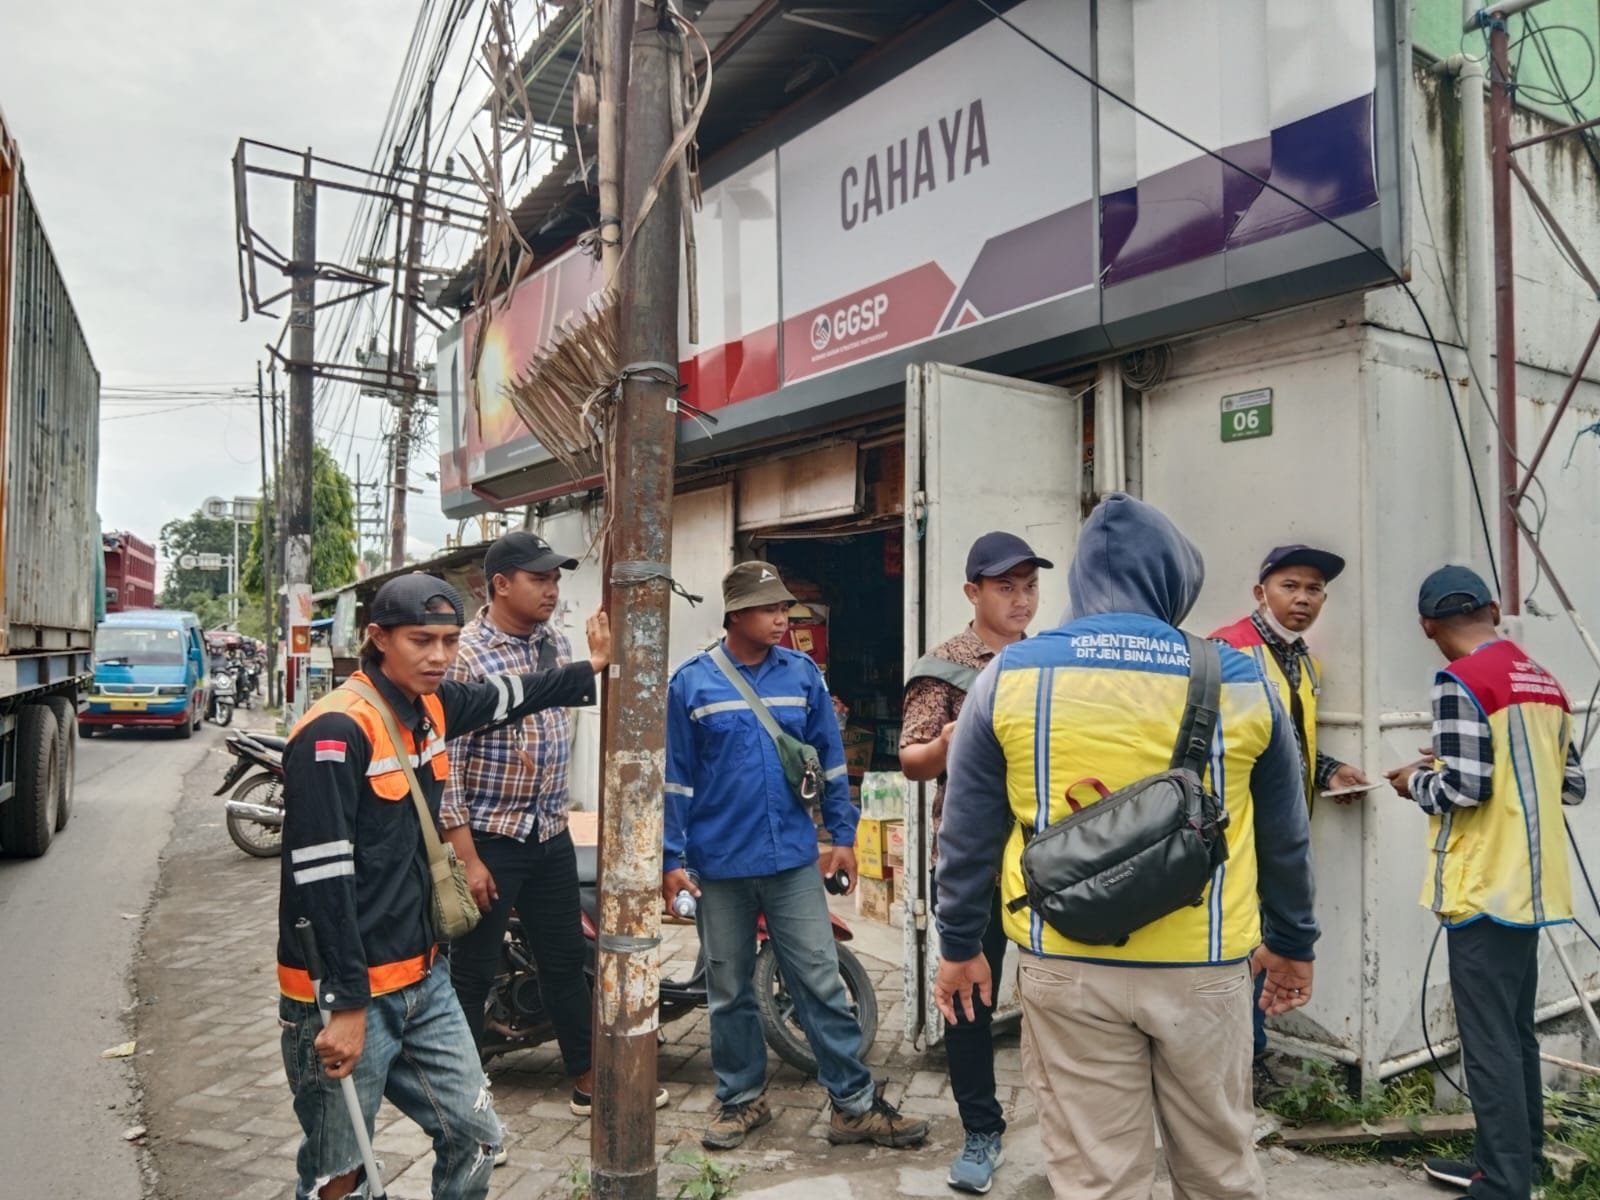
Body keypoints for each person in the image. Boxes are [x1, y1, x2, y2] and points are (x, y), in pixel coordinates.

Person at [934, 494, 1318, 1200]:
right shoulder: (1240, 679)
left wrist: (959, 946)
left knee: (1096, 1179)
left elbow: (967, 834)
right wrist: (1293, 941)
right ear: (1176, 579)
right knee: (1221, 1173)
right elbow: (1285, 837)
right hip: (1205, 970)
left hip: (1066, 962)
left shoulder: (1009, 677)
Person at [276, 573, 609, 1200]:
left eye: (450, 641)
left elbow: (513, 693)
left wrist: (589, 665)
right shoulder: (334, 732)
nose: (438, 657)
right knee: (340, 1174)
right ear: (377, 638)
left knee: (477, 1136)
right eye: (420, 640)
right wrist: (345, 1006)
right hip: (346, 993)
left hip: (423, 980)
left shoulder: (433, 705)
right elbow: (322, 888)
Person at [662, 561, 930, 1152]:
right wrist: (670, 857)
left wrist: (842, 838)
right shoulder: (692, 684)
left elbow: (831, 763)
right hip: (719, 867)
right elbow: (676, 779)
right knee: (728, 991)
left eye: (785, 608)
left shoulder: (803, 677)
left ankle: (853, 1107)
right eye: (769, 608)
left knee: (820, 982)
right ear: (735, 614)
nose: (783, 617)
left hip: (791, 863)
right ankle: (741, 1100)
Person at [440, 532, 669, 1117]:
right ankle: (464, 1104)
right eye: (539, 578)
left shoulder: (554, 641)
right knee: (472, 972)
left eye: (556, 579)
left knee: (566, 960)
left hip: (548, 831)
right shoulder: (464, 653)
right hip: (490, 836)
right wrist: (466, 854)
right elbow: (449, 762)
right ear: (500, 584)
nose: (552, 588)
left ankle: (589, 1077)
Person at [1387, 566, 1586, 1200]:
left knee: (1488, 1039)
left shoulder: (1458, 681)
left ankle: (1501, 1184)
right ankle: (1514, 1164)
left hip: (1482, 886)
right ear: (1495, 610)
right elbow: (1570, 785)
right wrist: (1450, 758)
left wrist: (1413, 781)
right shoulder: (1544, 682)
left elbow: (1464, 788)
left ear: (1427, 627)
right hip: (1534, 884)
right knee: (1514, 1030)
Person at [900, 531, 1053, 1194]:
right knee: (969, 999)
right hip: (975, 867)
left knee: (1060, 996)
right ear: (973, 592)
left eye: (1029, 585)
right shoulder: (948, 665)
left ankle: (1071, 1124)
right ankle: (982, 1130)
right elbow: (910, 760)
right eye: (1005, 586)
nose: (1021, 599)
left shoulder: (1050, 658)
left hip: (1048, 862)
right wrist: (952, 739)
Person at [1210, 543, 1370, 1099]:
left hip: (1282, 832)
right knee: (1242, 948)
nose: (1303, 599)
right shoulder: (1225, 651)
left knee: (1268, 945)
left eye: (1314, 589)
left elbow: (1291, 742)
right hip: (1234, 834)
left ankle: (1247, 1058)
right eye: (1290, 587)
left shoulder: (1304, 661)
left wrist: (1329, 771)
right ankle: (1243, 1063)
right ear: (1261, 593)